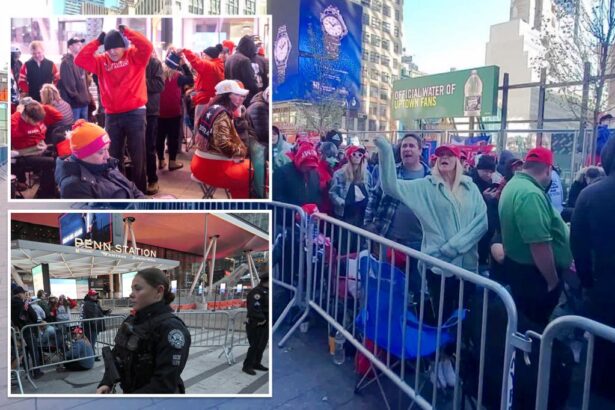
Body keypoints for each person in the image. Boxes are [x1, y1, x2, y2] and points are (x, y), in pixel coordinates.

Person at [374, 138, 487, 315]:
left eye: (449, 155)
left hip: (467, 266)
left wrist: (454, 247)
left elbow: (482, 222)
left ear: (458, 161)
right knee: (442, 315)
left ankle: (462, 343)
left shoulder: (470, 188)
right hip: (438, 265)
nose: (444, 157)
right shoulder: (427, 186)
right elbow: (390, 187)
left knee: (464, 315)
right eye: (441, 154)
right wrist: (386, 151)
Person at [498, 147, 571, 329]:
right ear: (548, 169)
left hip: (523, 272)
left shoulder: (515, 185)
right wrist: (552, 280)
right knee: (535, 329)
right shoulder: (530, 194)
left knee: (524, 324)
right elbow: (539, 244)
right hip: (535, 277)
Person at [75, 24, 153, 193]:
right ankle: (120, 190)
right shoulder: (101, 61)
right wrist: (97, 42)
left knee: (138, 156)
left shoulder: (135, 55)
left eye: (116, 47)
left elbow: (147, 46)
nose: (113, 52)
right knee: (112, 156)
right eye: (109, 48)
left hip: (136, 112)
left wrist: (128, 32)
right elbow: (79, 59)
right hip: (112, 114)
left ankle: (140, 193)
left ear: (123, 46)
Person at [97, 268, 191, 394]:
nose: (131, 294)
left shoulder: (171, 329)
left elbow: (164, 384)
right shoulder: (132, 320)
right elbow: (118, 355)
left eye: (138, 288)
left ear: (159, 291)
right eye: (132, 289)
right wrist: (106, 382)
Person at [570, 137, 615, 399]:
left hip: (604, 293)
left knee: (601, 363)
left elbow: (580, 248)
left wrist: (587, 285)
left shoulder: (590, 196)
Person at [364, 133, 430, 265]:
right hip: (390, 238)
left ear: (420, 150)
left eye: (411, 146)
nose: (407, 149)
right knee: (387, 281)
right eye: (404, 146)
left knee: (415, 283)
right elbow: (375, 196)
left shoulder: (430, 177)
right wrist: (368, 224)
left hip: (420, 242)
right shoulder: (390, 172)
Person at [55, 120, 146, 199]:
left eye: (107, 149)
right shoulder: (73, 187)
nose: (107, 156)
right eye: (101, 152)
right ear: (83, 155)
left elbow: (132, 188)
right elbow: (102, 217)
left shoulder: (105, 164)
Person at [191, 79, 250, 198]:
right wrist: (242, 152)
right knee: (253, 172)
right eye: (237, 95)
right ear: (227, 96)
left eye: (242, 96)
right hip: (214, 169)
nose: (242, 99)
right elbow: (223, 145)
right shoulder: (222, 115)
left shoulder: (211, 108)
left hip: (200, 163)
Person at [11, 98, 58, 198]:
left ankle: (47, 190)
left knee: (58, 155)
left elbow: (58, 116)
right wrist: (18, 113)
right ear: (27, 117)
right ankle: (46, 194)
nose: (37, 123)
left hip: (38, 149)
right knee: (51, 163)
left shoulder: (37, 115)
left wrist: (37, 105)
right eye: (35, 121)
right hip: (22, 155)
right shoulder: (14, 123)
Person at [158, 48, 193, 171]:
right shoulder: (178, 76)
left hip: (159, 111)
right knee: (173, 137)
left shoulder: (158, 75)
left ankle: (161, 161)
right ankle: (172, 162)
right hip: (174, 111)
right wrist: (184, 64)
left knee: (159, 137)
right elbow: (191, 79)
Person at [178, 44, 225, 134]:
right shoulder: (217, 65)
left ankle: (199, 145)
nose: (202, 57)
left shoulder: (210, 66)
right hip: (210, 99)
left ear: (208, 56)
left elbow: (196, 62)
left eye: (204, 55)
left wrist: (185, 51)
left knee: (199, 127)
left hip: (205, 101)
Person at [329, 145, 373, 227]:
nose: (357, 156)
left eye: (360, 154)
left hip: (362, 215)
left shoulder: (367, 175)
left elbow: (371, 193)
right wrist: (343, 203)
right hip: (345, 215)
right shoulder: (339, 174)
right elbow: (332, 193)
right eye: (354, 154)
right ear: (349, 156)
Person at [469, 154, 500, 267]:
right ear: (478, 169)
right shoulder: (470, 182)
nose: (488, 174)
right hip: (474, 232)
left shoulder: (492, 183)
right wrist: (484, 198)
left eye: (491, 171)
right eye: (485, 171)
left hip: (488, 230)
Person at [273, 142, 323, 209]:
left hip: (309, 216)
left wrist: (317, 209)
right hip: (287, 216)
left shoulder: (315, 174)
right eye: (306, 165)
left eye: (311, 166)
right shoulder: (282, 173)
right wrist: (295, 211)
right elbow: (277, 198)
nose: (308, 168)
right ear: (299, 161)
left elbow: (317, 195)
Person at [11, 286, 44, 379]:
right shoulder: (23, 304)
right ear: (19, 293)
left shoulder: (10, 305)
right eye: (23, 293)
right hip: (27, 330)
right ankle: (36, 372)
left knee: (24, 353)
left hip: (17, 332)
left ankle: (27, 373)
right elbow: (33, 316)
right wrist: (27, 304)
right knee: (34, 351)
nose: (24, 295)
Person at [144, 53, 165, 195]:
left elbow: (159, 85)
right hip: (132, 109)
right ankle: (138, 179)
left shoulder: (154, 63)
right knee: (133, 150)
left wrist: (139, 81)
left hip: (150, 110)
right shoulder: (131, 61)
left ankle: (152, 179)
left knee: (149, 147)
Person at [225, 35, 266, 105]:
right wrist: (260, 94)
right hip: (245, 98)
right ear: (249, 48)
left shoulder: (229, 58)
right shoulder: (245, 60)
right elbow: (251, 83)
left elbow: (226, 78)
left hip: (232, 97)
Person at [243, 273, 269, 375]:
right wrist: (261, 319)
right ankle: (247, 366)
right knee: (254, 346)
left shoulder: (267, 291)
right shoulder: (256, 292)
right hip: (256, 323)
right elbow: (254, 308)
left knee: (261, 345)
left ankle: (256, 363)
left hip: (265, 324)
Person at [59, 37, 90, 120]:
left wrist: (87, 98)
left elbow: (85, 81)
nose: (80, 46)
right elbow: (69, 85)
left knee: (85, 128)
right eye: (77, 44)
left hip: (84, 102)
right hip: (75, 103)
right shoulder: (66, 63)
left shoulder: (80, 60)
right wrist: (78, 98)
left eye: (81, 43)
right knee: (75, 128)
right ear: (70, 47)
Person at [81, 289, 111, 360]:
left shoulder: (95, 302)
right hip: (90, 326)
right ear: (89, 296)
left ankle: (91, 355)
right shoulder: (87, 303)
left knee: (92, 341)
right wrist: (94, 324)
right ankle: (92, 356)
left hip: (95, 325)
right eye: (93, 295)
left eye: (95, 295)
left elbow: (99, 312)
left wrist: (106, 312)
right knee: (91, 341)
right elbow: (90, 316)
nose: (95, 296)